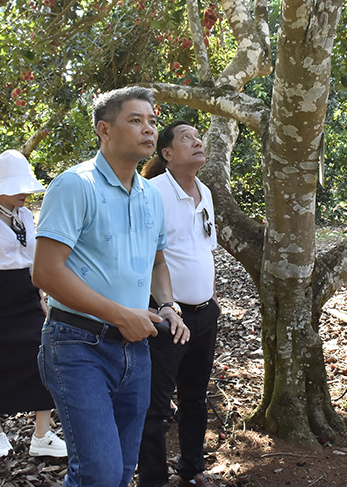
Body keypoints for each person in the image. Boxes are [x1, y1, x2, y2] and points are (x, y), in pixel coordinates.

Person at [33, 86, 189, 487]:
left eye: (152, 121)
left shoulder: (150, 196)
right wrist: (122, 315)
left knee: (119, 471)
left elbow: (157, 263)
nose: (149, 130)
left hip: (135, 350)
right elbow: (46, 273)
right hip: (77, 345)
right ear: (104, 129)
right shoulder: (75, 185)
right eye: (135, 120)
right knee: (98, 473)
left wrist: (168, 305)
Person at [0, 149, 66, 458]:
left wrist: (41, 296)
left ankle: (42, 433)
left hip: (26, 297)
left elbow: (32, 261)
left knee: (40, 360)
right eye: (17, 186)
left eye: (26, 186)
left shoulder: (24, 216)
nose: (24, 193)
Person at [137, 121, 221, 487]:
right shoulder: (152, 192)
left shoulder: (205, 191)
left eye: (197, 135)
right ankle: (153, 478)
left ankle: (192, 469)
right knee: (154, 407)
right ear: (167, 153)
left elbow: (204, 249)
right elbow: (146, 257)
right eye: (186, 137)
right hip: (166, 316)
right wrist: (160, 307)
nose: (197, 140)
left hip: (204, 314)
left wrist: (212, 302)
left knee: (195, 399)